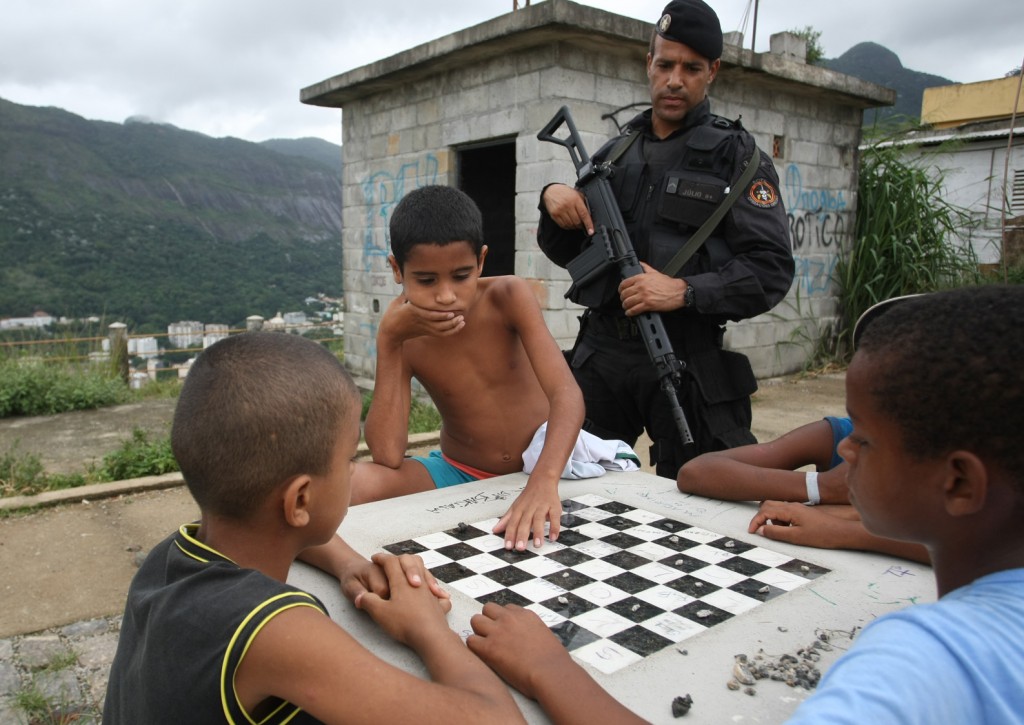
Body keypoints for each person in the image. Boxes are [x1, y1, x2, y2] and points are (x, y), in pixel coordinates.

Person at [468, 285, 1024, 723]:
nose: (846, 448)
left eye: (867, 441)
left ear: (958, 484)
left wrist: (549, 670)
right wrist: (849, 530)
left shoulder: (922, 665)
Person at [103, 332, 524, 724]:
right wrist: (428, 628)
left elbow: (265, 522)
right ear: (300, 500)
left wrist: (347, 564)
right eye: (347, 462)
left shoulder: (175, 554)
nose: (354, 471)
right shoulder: (275, 631)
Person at [537, 0, 794, 478]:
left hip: (685, 359)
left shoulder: (737, 158)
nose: (675, 79)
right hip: (602, 354)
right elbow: (571, 251)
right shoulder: (616, 152)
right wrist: (553, 202)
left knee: (695, 504)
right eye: (666, 64)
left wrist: (684, 292)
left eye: (691, 68)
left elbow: (772, 269)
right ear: (648, 64)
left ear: (712, 71)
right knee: (574, 489)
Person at [351, 184, 585, 552]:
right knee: (354, 483)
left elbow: (567, 395)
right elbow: (387, 455)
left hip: (542, 463)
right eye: (426, 281)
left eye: (461, 276)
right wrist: (389, 342)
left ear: (481, 261)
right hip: (458, 471)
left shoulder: (508, 296)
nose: (446, 295)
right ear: (397, 269)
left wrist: (544, 480)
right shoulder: (403, 334)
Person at [677, 415, 929, 563]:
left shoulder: (953, 467)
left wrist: (845, 529)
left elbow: (961, 545)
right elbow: (696, 472)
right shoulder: (842, 435)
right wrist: (822, 486)